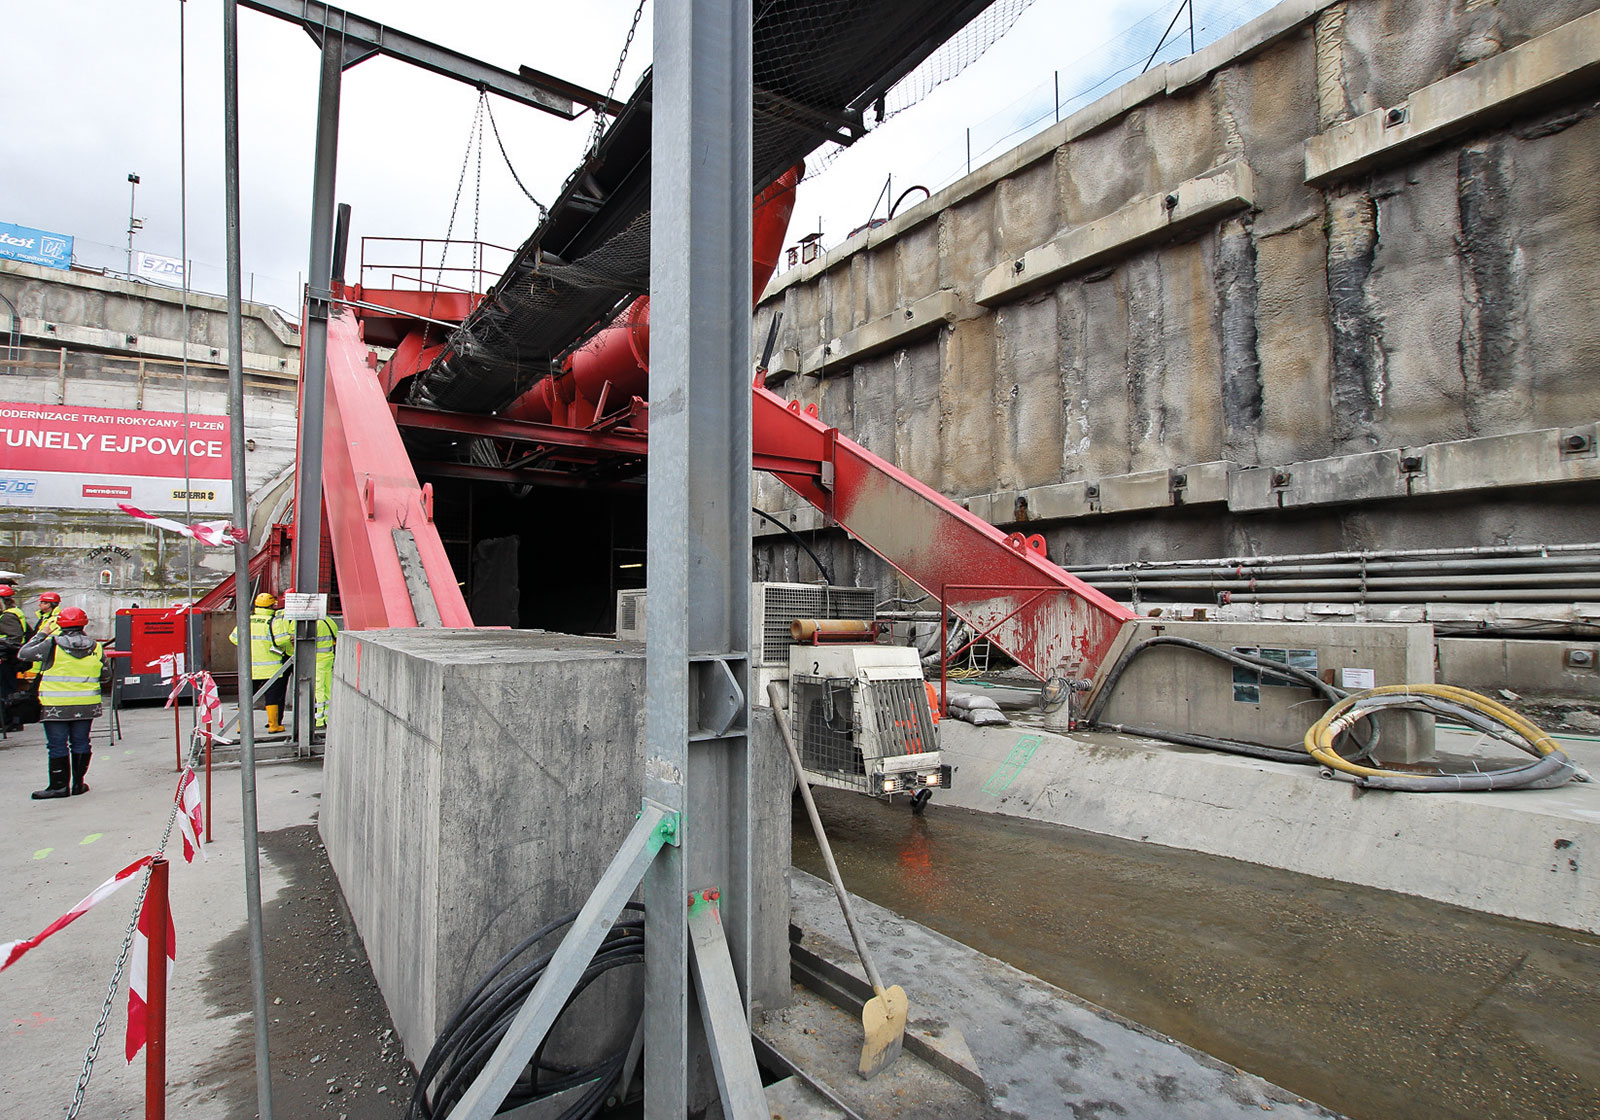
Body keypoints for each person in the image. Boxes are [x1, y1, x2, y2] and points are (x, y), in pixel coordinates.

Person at [20, 607, 105, 799]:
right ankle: (78, 784)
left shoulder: (51, 645)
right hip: (87, 704)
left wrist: (41, 633)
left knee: (57, 744)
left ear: (60, 623)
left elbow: (23, 654)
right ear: (84, 623)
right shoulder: (96, 647)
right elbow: (106, 675)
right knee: (81, 742)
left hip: (56, 705)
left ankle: (59, 786)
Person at [229, 592, 293, 733]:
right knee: (273, 697)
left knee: (246, 696)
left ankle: (242, 726)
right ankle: (273, 726)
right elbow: (282, 640)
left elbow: (234, 638)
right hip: (271, 668)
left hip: (250, 667)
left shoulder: (247, 620)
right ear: (272, 606)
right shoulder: (274, 622)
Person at [0, 586, 28, 732]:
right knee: (9, 690)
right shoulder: (15, 613)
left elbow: (14, 638)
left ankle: (10, 721)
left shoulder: (7, 616)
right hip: (11, 658)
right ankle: (12, 720)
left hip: (6, 658)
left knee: (6, 692)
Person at [313, 614, 341, 731]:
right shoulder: (329, 621)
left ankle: (319, 719)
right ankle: (328, 716)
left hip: (317, 659)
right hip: (328, 657)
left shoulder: (314, 624)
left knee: (319, 688)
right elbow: (336, 636)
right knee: (327, 686)